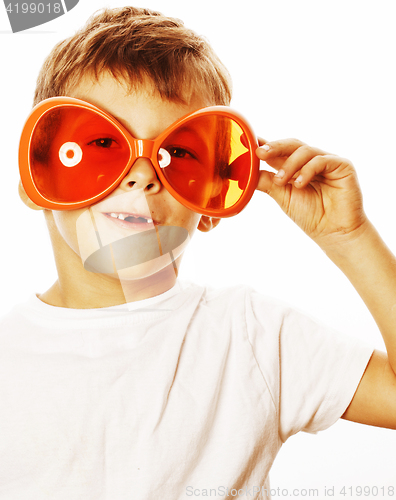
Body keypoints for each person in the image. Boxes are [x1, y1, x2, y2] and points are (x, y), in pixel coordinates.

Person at [2, 5, 396, 499]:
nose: (143, 174)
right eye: (102, 142)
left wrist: (349, 236)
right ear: (40, 176)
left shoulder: (252, 338)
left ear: (214, 199)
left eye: (179, 153)